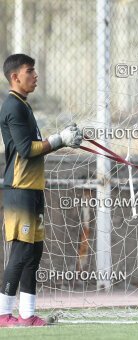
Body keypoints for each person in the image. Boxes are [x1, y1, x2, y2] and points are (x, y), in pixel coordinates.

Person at [0, 54, 82, 327]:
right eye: (30, 71)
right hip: (20, 189)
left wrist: (62, 140)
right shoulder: (13, 106)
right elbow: (27, 149)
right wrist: (60, 140)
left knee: (34, 253)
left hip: (33, 189)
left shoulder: (24, 105)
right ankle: (3, 315)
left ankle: (27, 315)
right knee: (21, 253)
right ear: (15, 77)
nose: (35, 76)